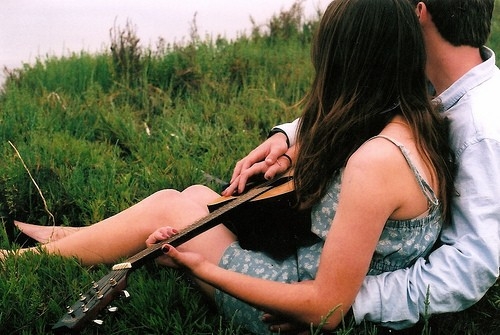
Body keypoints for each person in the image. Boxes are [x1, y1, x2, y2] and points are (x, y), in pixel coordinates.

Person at [1, 0, 456, 332]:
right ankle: (66, 240)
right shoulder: (420, 118)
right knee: (196, 198)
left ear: (344, 61)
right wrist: (290, 151)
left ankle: (19, 261)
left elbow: (327, 307)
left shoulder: (377, 162)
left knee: (171, 210)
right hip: (308, 267)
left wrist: (200, 267)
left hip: (285, 309)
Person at [230, 0, 500, 331]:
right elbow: (371, 99)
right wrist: (288, 137)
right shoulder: (431, 77)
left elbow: (472, 264)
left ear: (418, 11)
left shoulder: (482, 131)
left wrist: (348, 302)